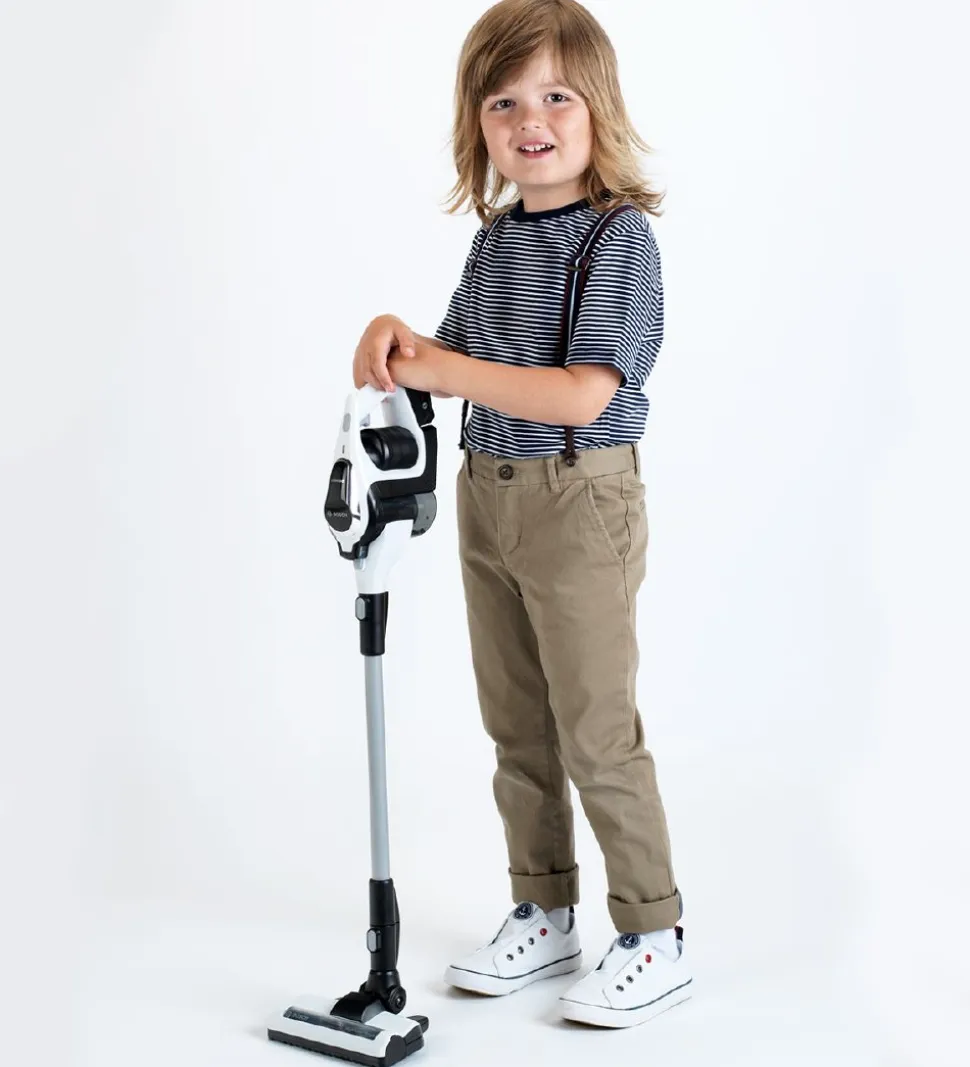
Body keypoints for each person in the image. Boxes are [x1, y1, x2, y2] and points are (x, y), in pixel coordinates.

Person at [352, 0, 691, 1029]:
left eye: (554, 96)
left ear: (599, 110)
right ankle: (545, 907)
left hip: (579, 498)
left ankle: (654, 931)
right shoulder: (499, 241)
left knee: (596, 728)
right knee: (518, 722)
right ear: (479, 124)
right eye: (502, 102)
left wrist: (447, 368)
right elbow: (451, 360)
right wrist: (394, 335)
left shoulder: (617, 239)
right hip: (488, 496)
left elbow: (583, 393)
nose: (528, 120)